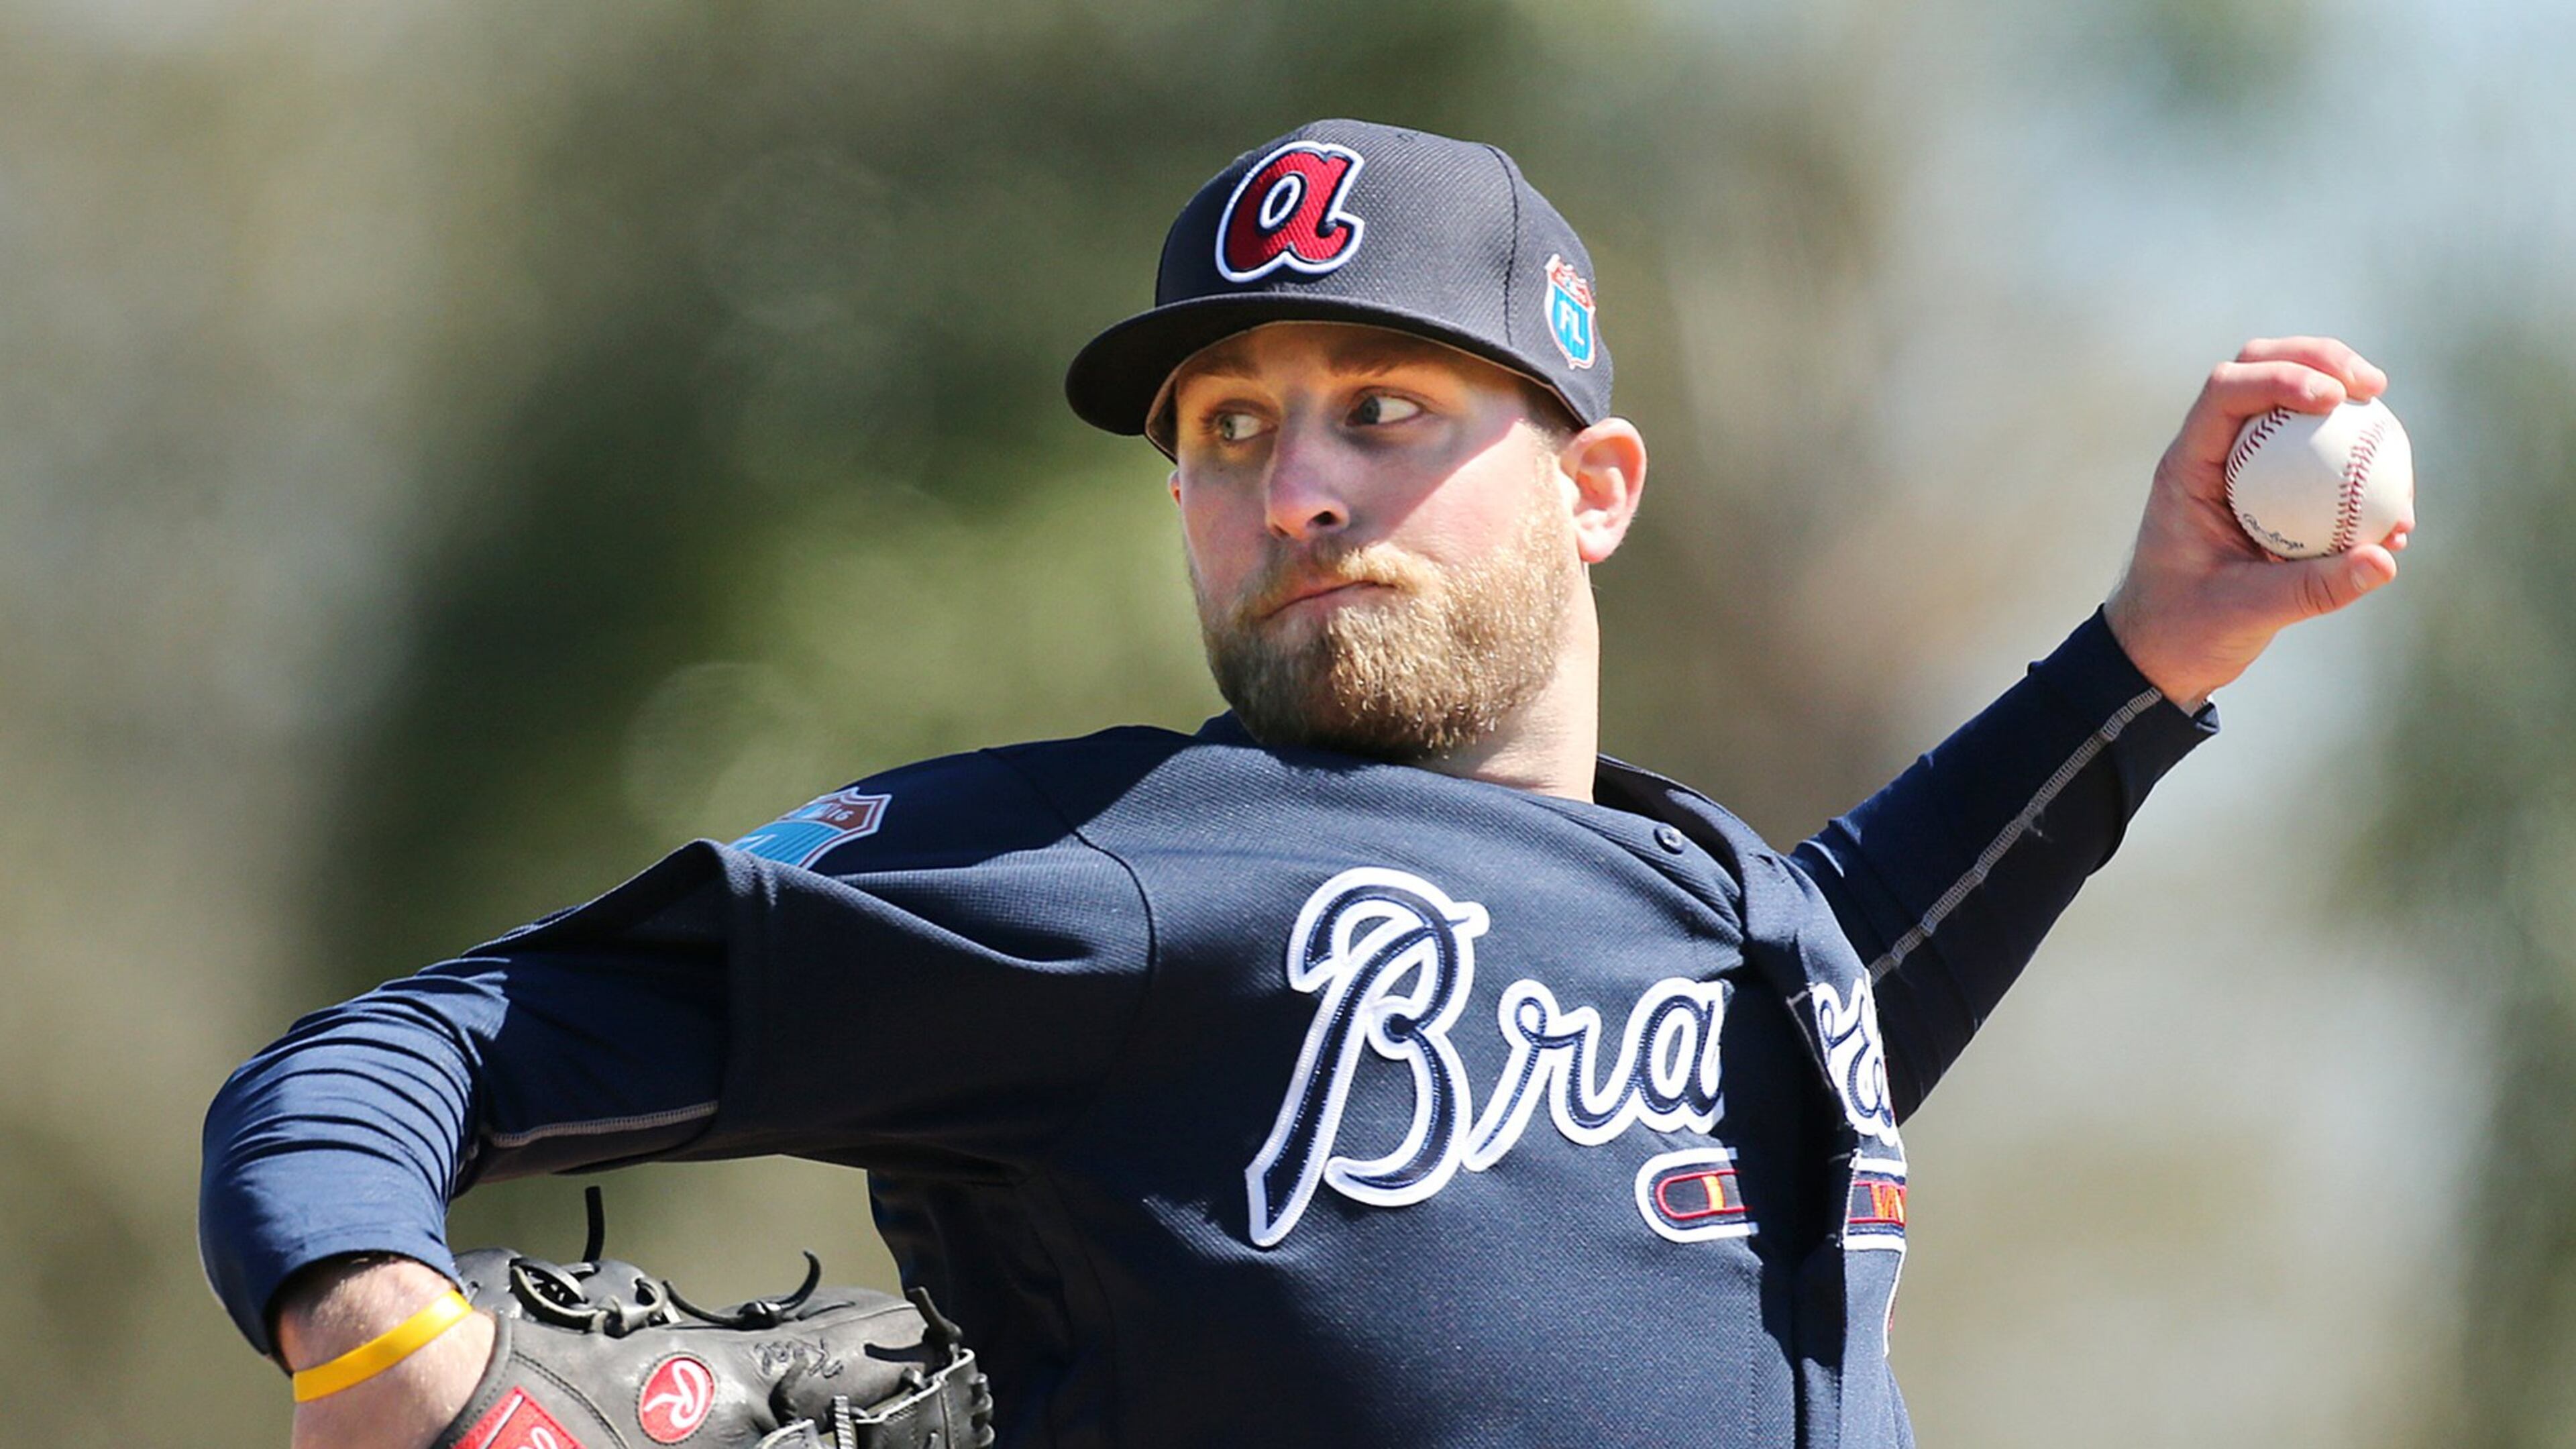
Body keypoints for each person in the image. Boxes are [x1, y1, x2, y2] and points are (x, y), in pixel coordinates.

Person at [201, 118, 2411, 1449]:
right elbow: (394, 1057)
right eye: (1232, 430)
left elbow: (1821, 1012)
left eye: (1382, 408)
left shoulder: (1714, 912)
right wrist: (371, 1328)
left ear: (1599, 487)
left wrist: (2153, 654)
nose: (1298, 486)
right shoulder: (1111, 873)